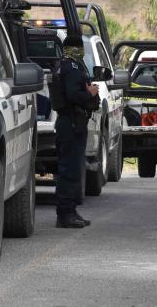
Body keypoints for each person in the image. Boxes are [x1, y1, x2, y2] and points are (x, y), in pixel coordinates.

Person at [51, 36, 99, 229]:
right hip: (71, 123)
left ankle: (70, 210)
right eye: (78, 48)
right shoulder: (70, 68)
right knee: (69, 169)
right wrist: (90, 93)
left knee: (72, 168)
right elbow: (73, 95)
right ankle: (65, 213)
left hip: (73, 122)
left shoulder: (66, 66)